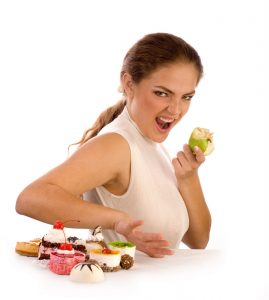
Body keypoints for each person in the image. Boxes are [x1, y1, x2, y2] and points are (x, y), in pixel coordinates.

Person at [16, 32, 211, 258]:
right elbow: (30, 199)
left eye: (186, 97)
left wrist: (188, 178)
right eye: (162, 93)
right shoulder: (117, 145)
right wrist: (117, 221)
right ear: (128, 84)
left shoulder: (154, 146)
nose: (176, 110)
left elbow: (199, 241)